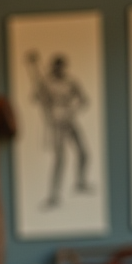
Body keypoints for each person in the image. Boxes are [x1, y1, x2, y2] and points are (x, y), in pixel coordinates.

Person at [26, 51, 92, 208]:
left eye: (61, 67)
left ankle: (80, 182)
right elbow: (36, 98)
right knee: (60, 159)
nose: (59, 70)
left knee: (84, 153)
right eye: (56, 67)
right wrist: (40, 89)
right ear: (53, 68)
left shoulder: (70, 82)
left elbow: (84, 99)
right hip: (56, 124)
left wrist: (72, 109)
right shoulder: (46, 83)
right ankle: (54, 196)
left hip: (69, 120)